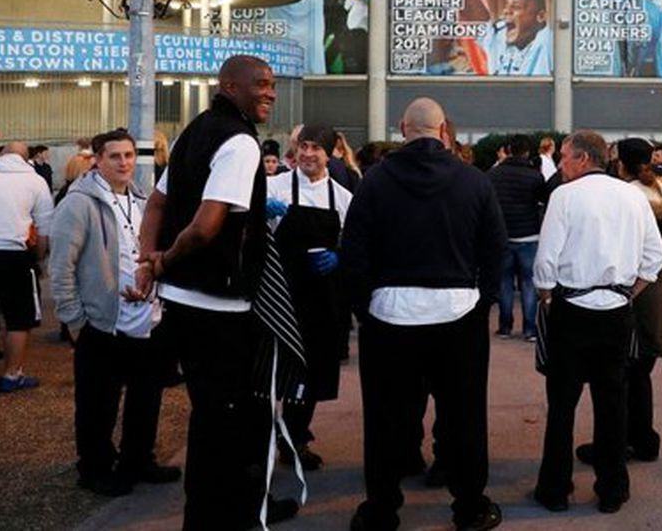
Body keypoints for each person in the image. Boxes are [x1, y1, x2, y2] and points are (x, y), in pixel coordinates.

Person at [135, 55, 298, 529]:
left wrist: (149, 260)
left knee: (225, 416)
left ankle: (245, 506)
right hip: (220, 307)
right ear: (229, 85)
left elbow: (157, 204)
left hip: (188, 302)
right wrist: (160, 260)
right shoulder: (240, 141)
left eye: (272, 85)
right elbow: (207, 227)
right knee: (223, 422)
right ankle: (213, 517)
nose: (270, 92)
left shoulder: (194, 131)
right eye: (261, 85)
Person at [343, 98, 506, 531]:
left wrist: (365, 308)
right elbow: (495, 250)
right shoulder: (474, 181)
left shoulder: (374, 180)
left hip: (390, 315)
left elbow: (353, 253)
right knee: (465, 416)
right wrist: (482, 302)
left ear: (402, 128)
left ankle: (381, 510)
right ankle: (470, 506)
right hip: (458, 313)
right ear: (442, 130)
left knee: (384, 419)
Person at [531, 130, 662, 515]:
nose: (560, 164)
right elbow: (653, 259)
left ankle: (555, 489)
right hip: (617, 311)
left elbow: (545, 263)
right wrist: (626, 293)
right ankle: (612, 489)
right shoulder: (633, 197)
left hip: (571, 311)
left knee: (561, 405)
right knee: (612, 403)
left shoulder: (564, 196)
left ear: (584, 158)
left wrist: (546, 297)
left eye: (564, 157)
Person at [49, 129, 181, 497]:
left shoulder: (141, 200)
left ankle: (138, 460)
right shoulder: (78, 204)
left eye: (128, 155)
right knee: (97, 405)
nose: (124, 163)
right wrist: (76, 321)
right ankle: (94, 468)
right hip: (101, 323)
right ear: (97, 159)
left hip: (146, 319)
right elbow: (61, 268)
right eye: (114, 156)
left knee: (146, 397)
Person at [574, 138, 662, 467]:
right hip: (659, 293)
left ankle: (616, 443)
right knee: (640, 374)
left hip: (633, 295)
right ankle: (644, 439)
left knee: (618, 376)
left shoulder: (624, 199)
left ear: (621, 164)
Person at [264, 124, 354, 472]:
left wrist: (339, 256)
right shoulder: (274, 188)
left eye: (316, 148)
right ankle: (270, 434)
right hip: (282, 291)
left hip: (323, 296)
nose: (308, 154)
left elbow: (357, 243)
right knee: (279, 367)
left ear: (330, 153)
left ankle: (296, 437)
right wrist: (262, 214)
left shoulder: (343, 198)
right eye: (303, 147)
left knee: (315, 369)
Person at [0, 141, 54, 393]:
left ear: (0, 154)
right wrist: (39, 258)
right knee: (18, 318)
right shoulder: (36, 181)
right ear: (27, 158)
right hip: (13, 255)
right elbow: (45, 228)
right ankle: (11, 375)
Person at [487, 134, 548, 340]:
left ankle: (505, 327)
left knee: (505, 283)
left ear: (509, 150)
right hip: (529, 235)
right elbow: (542, 202)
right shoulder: (534, 176)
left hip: (503, 236)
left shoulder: (494, 174)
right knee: (528, 284)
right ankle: (530, 329)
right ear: (527, 152)